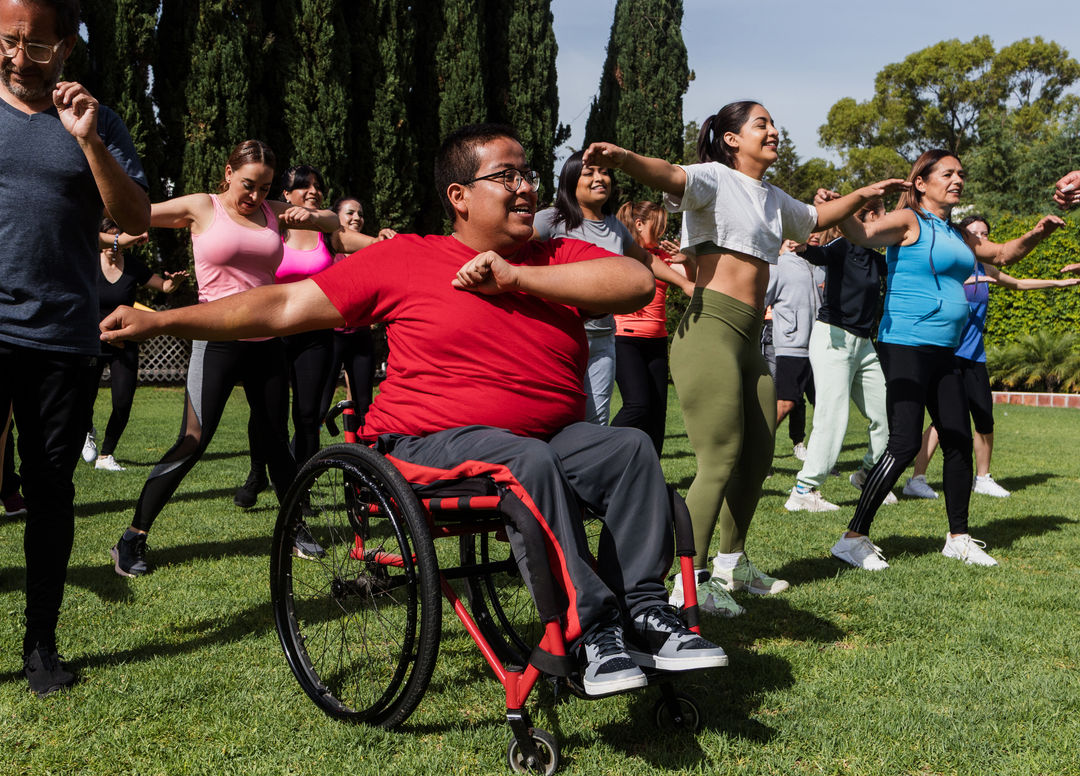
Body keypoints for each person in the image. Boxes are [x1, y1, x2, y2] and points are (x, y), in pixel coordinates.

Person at [101, 122, 727, 698]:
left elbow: (635, 283)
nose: (525, 187)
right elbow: (281, 308)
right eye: (505, 175)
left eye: (527, 174)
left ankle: (644, 609)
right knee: (525, 459)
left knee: (629, 448)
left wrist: (516, 279)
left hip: (548, 439)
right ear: (459, 195)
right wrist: (166, 320)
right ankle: (591, 629)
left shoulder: (555, 259)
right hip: (426, 445)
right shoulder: (405, 258)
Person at [583, 101, 907, 616]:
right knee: (719, 459)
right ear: (732, 139)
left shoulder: (775, 199)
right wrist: (622, 158)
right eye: (761, 124)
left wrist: (864, 195)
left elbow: (818, 217)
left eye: (773, 123)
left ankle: (732, 563)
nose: (773, 130)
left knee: (757, 456)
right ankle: (684, 585)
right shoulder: (713, 178)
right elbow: (670, 173)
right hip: (709, 331)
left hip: (749, 339)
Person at [0, 0, 150, 695]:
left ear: (65, 47)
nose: (16, 56)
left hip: (61, 336)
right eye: (6, 41)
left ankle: (41, 643)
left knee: (51, 490)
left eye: (34, 45)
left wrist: (88, 141)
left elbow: (135, 216)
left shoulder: (99, 121)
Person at [110, 141, 346, 579]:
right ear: (228, 172)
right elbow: (139, 213)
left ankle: (294, 526)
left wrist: (312, 217)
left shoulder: (273, 212)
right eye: (247, 184)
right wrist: (114, 227)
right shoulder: (204, 207)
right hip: (215, 341)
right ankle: (132, 538)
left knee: (277, 438)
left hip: (267, 341)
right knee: (194, 440)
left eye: (265, 187)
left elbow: (334, 220)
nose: (254, 196)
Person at [829, 150, 1064, 571]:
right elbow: (862, 235)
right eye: (948, 173)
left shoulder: (958, 234)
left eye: (961, 174)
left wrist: (1039, 231)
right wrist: (841, 207)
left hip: (946, 349)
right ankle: (852, 538)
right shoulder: (909, 221)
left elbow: (1005, 255)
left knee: (956, 438)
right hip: (904, 342)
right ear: (921, 182)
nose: (958, 179)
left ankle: (958, 537)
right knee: (903, 444)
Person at [233, 168, 387, 509]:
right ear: (285, 195)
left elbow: (372, 246)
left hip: (315, 336)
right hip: (272, 333)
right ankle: (257, 474)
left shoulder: (327, 233)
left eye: (318, 186)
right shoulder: (273, 230)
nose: (313, 191)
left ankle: (299, 485)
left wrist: (386, 239)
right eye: (303, 186)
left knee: (306, 417)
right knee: (265, 413)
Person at [904, 214, 1080, 499]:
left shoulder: (986, 265)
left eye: (985, 233)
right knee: (942, 420)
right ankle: (916, 479)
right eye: (975, 233)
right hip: (949, 353)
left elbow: (1020, 284)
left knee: (985, 417)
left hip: (975, 355)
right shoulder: (955, 265)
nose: (981, 238)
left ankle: (983, 478)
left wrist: (1060, 284)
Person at [533, 150, 694, 426]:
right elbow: (514, 246)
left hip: (603, 340)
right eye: (589, 173)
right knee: (556, 418)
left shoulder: (615, 227)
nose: (600, 178)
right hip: (562, 338)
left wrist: (685, 283)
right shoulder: (552, 220)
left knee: (596, 423)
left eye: (605, 172)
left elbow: (645, 259)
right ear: (571, 181)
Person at [784, 201, 895, 513]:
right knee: (833, 417)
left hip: (864, 344)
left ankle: (867, 476)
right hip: (833, 338)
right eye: (882, 214)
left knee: (887, 413)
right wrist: (804, 246)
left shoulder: (877, 259)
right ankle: (804, 489)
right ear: (867, 217)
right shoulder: (841, 246)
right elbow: (817, 254)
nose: (887, 220)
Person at [83, 219, 186, 472]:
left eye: (118, 239)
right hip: (92, 342)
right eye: (108, 239)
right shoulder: (87, 263)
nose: (113, 245)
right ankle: (86, 430)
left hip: (124, 344)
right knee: (83, 397)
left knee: (122, 401)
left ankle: (106, 455)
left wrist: (173, 284)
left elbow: (162, 285)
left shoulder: (132, 267)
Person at [610, 200, 694, 454]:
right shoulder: (621, 254)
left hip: (657, 340)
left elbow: (693, 285)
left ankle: (652, 475)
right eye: (657, 226)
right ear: (639, 224)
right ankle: (602, 451)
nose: (661, 233)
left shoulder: (664, 257)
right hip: (625, 339)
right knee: (638, 406)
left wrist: (687, 261)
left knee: (658, 414)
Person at [314, 195, 396, 431]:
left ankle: (358, 462)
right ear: (336, 216)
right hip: (331, 335)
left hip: (360, 337)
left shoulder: (368, 251)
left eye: (360, 213)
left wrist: (385, 239)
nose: (357, 218)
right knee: (319, 405)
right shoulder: (328, 247)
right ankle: (302, 461)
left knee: (363, 406)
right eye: (350, 213)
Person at [765, 237, 825, 453]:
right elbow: (761, 300)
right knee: (786, 403)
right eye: (809, 232)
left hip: (822, 346)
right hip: (792, 345)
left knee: (825, 407)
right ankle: (755, 454)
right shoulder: (779, 266)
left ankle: (819, 462)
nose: (816, 236)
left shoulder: (822, 266)